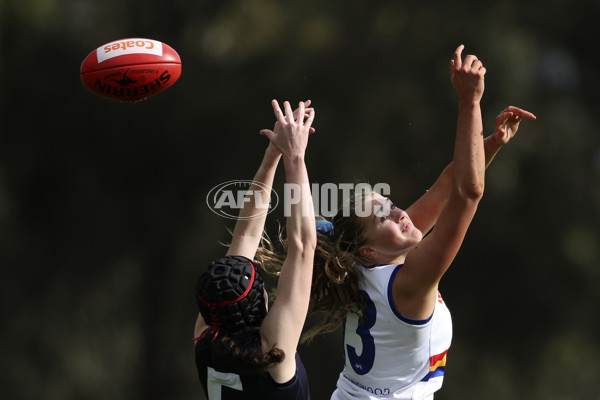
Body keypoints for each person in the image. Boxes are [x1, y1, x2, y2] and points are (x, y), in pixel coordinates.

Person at [303, 45, 536, 399]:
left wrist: (490, 145)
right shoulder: (406, 282)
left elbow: (447, 185)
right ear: (367, 249)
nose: (399, 214)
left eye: (391, 204)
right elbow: (467, 194)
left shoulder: (372, 263)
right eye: (383, 216)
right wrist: (469, 102)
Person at [194, 99, 316, 399]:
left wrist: (274, 153)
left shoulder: (207, 337)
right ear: (260, 298)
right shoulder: (273, 349)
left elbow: (248, 236)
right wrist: (294, 156)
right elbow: (301, 245)